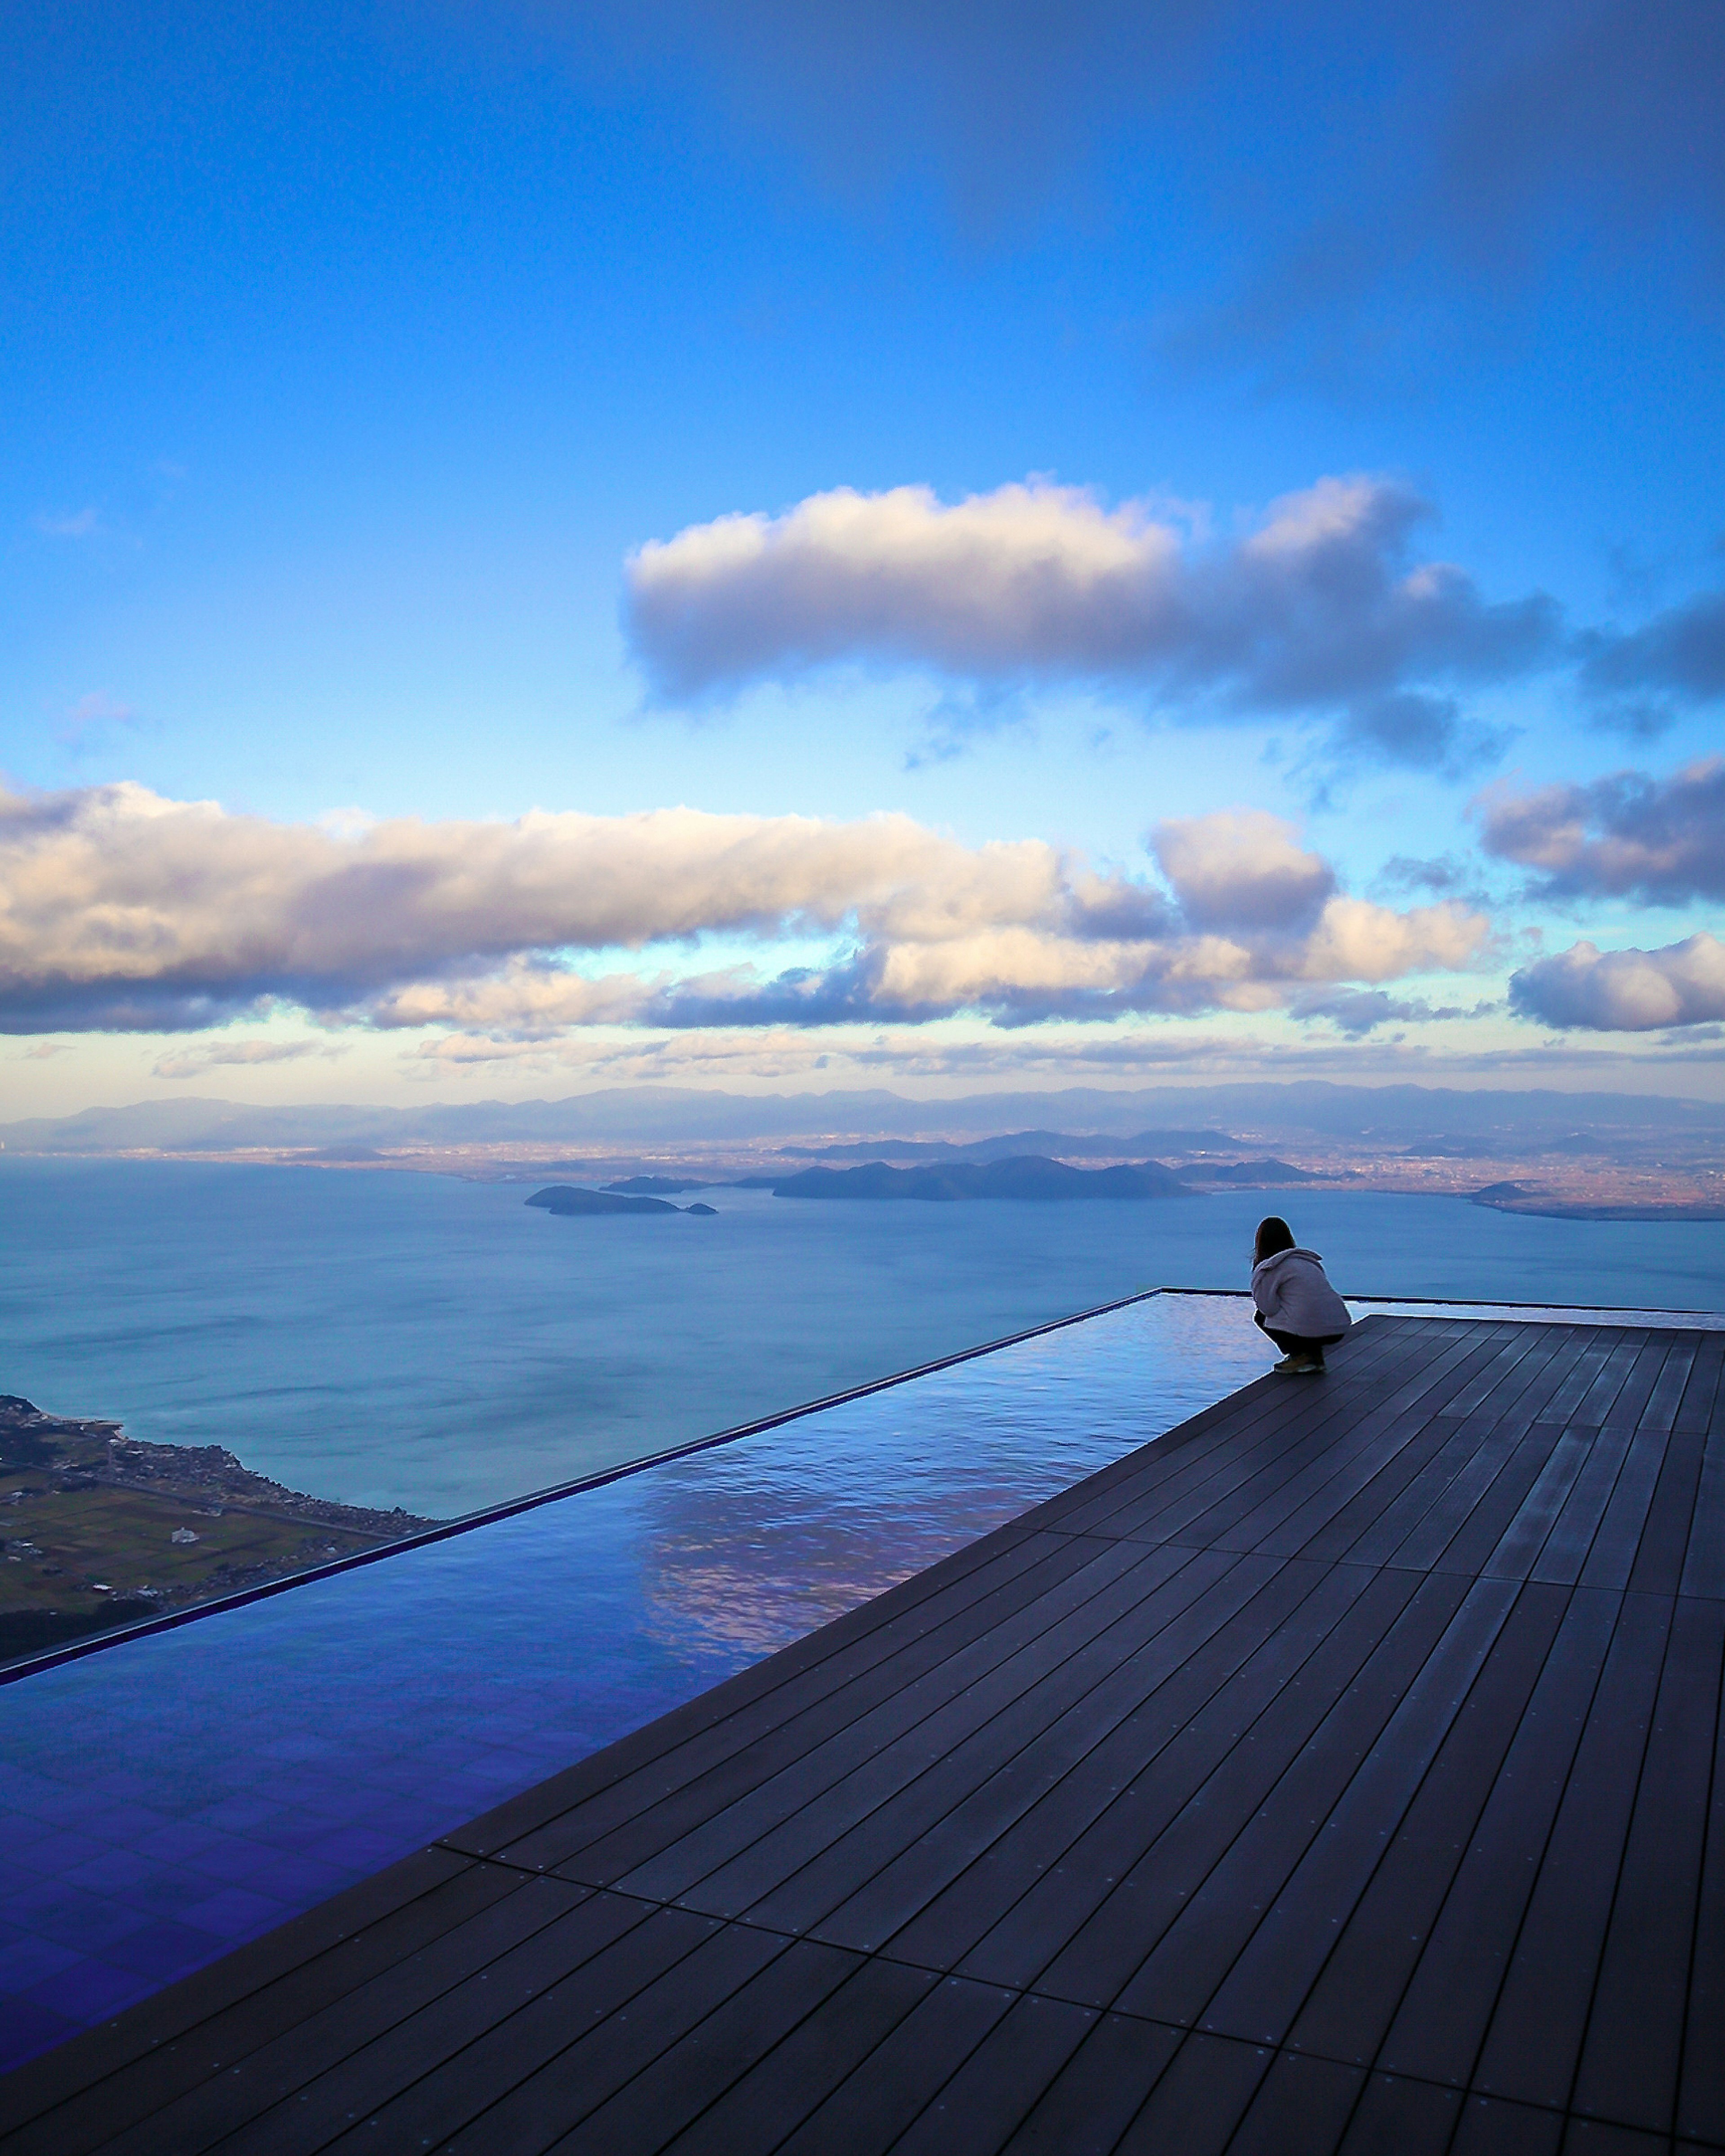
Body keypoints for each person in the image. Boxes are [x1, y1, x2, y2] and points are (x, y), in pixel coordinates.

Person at [1250, 1216, 1352, 1374]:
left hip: (1314, 1329)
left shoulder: (1270, 1268)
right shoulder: (1307, 1261)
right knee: (1303, 1312)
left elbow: (1267, 1309)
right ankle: (1314, 1356)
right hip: (1339, 1326)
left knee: (1260, 1317)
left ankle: (1300, 1356)